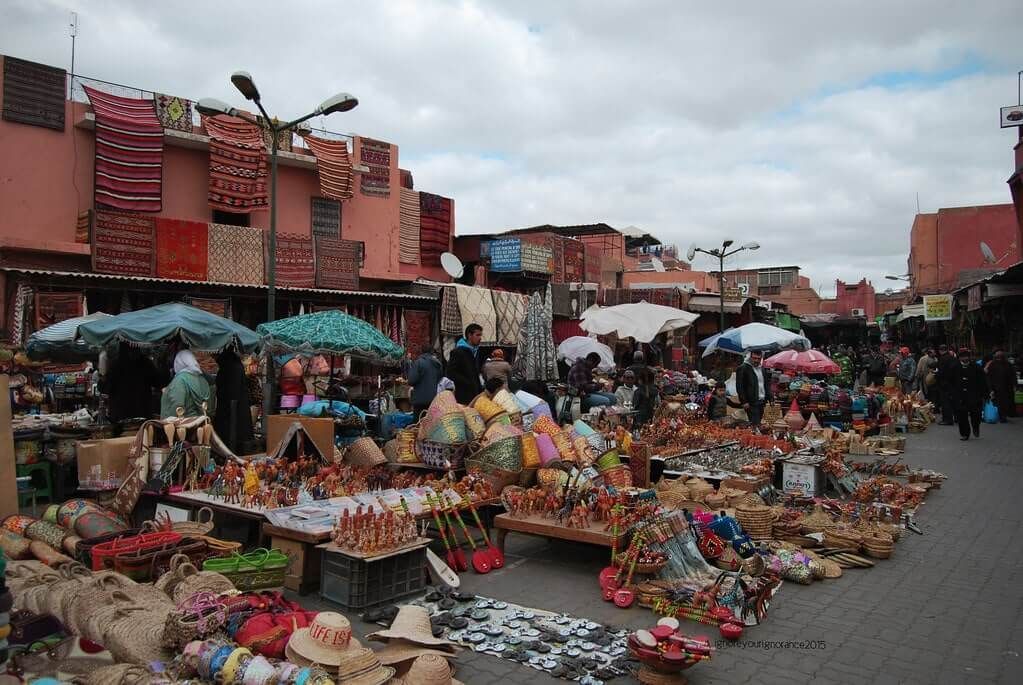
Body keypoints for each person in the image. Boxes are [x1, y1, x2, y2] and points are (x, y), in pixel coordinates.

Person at [100, 342, 168, 422]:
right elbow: (159, 382)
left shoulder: (116, 365)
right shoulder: (145, 363)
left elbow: (104, 388)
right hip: (141, 413)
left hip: (121, 415)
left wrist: (102, 377)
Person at [213, 349, 253, 453]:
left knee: (229, 433)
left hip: (230, 408)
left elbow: (227, 390)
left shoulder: (229, 367)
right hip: (238, 406)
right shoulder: (235, 364)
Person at [161, 349, 213, 418]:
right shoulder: (203, 379)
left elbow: (177, 405)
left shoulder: (180, 380)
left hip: (183, 425)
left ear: (180, 362)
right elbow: (208, 406)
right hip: (200, 422)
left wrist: (167, 392)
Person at [950, 347, 988, 440]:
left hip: (974, 395)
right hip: (960, 396)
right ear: (959, 358)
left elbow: (983, 381)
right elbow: (950, 381)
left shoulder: (976, 367)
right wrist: (951, 393)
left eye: (966, 356)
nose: (965, 358)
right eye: (962, 357)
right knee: (962, 416)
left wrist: (985, 393)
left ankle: (975, 426)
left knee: (976, 414)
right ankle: (965, 434)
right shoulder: (954, 367)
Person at [447, 324, 484, 405]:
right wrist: (467, 382)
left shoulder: (474, 351)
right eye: (477, 335)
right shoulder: (458, 352)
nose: (480, 338)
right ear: (469, 335)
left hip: (475, 396)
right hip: (464, 396)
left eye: (480, 335)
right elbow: (450, 372)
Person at [735, 350, 771, 427]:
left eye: (758, 358)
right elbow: (739, 386)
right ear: (750, 357)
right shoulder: (743, 368)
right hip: (751, 402)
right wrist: (743, 401)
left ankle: (755, 436)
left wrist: (770, 397)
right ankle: (754, 437)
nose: (756, 360)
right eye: (754, 358)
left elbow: (766, 384)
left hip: (761, 401)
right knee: (755, 423)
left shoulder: (762, 369)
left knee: (758, 423)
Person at [407, 344, 442, 418]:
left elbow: (411, 380)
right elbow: (439, 379)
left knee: (418, 424)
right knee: (430, 423)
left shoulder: (418, 363)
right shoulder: (438, 364)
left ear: (421, 351)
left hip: (420, 400)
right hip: (433, 399)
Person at [985, 349, 1016, 422]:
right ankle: (1001, 416)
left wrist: (1014, 384)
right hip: (996, 387)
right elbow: (988, 376)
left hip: (1006, 387)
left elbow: (1013, 375)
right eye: (997, 356)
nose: (999, 357)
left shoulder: (1007, 364)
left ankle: (1003, 416)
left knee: (1005, 402)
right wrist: (990, 388)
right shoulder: (992, 364)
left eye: (1000, 356)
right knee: (998, 402)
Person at [936, 345, 958, 425]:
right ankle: (957, 418)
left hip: (944, 383)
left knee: (945, 402)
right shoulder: (953, 358)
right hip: (953, 383)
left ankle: (947, 419)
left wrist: (936, 375)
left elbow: (940, 372)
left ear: (940, 350)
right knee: (954, 401)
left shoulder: (942, 359)